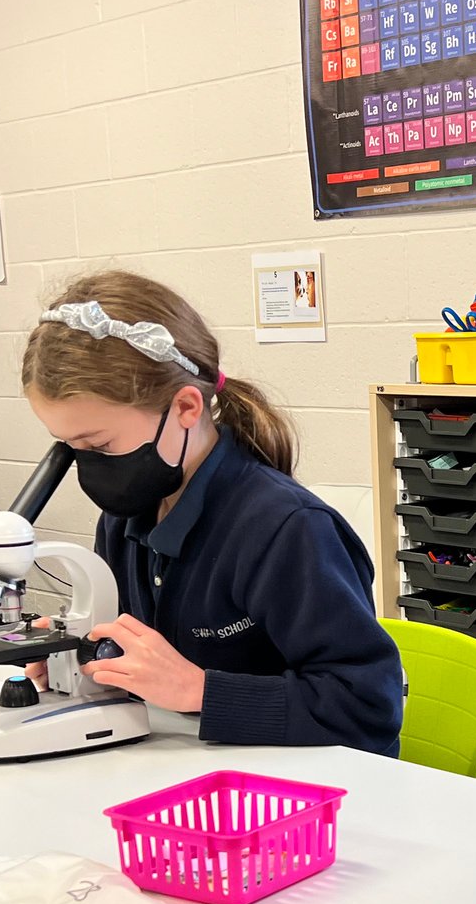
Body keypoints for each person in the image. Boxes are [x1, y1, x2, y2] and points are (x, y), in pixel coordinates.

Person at [20, 270, 401, 753]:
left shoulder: (287, 530)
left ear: (186, 407)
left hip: (302, 797)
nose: (90, 467)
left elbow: (367, 709)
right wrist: (82, 658)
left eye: (99, 445)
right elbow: (135, 658)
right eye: (70, 448)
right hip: (188, 774)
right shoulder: (126, 518)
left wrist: (199, 690)